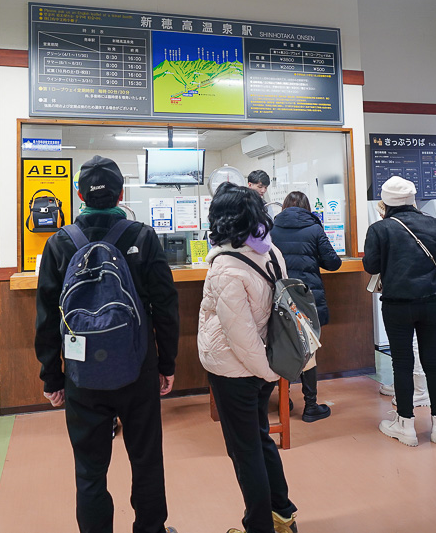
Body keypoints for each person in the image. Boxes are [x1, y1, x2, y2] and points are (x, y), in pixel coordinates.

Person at [34, 155, 180, 533]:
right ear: (121, 193)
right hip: (138, 368)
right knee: (146, 459)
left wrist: (52, 377)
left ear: (79, 194)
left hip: (82, 375)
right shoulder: (143, 237)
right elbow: (165, 306)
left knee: (89, 470)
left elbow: (48, 318)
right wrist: (167, 364)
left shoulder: (59, 243)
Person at [198, 183, 298, 533]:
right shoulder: (271, 252)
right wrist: (269, 371)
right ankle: (282, 513)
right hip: (263, 365)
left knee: (245, 451)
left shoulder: (225, 266)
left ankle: (258, 526)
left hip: (236, 371)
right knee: (259, 439)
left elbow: (238, 336)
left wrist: (265, 372)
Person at [363, 176, 436, 447]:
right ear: (412, 199)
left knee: (402, 364)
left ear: (384, 202)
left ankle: (405, 425)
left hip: (397, 305)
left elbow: (370, 266)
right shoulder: (433, 223)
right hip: (433, 303)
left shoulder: (379, 228)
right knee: (434, 363)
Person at [270, 191, 342, 422]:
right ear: (307, 207)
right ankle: (310, 406)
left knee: (281, 347)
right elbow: (333, 263)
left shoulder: (271, 230)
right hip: (307, 299)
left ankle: (284, 399)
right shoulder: (314, 229)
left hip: (280, 298)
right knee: (307, 349)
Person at [373, 201, 430, 408]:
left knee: (411, 345)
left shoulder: (393, 228)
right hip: (427, 294)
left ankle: (419, 391)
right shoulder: (427, 224)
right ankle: (404, 386)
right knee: (405, 347)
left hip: (409, 296)